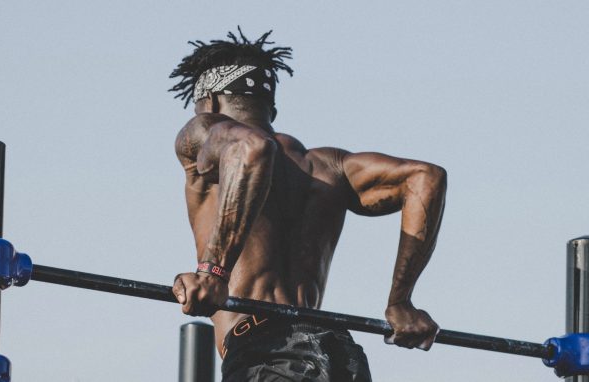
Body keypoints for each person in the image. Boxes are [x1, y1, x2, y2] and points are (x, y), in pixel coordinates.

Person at [169, 28, 447, 382]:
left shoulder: (206, 129)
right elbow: (425, 177)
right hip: (339, 354)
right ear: (271, 108)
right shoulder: (328, 166)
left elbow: (250, 149)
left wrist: (214, 272)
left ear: (208, 102)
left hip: (267, 352)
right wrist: (400, 302)